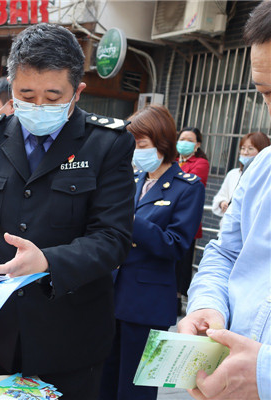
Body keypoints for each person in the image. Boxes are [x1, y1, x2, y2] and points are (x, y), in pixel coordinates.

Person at [0, 23, 136, 398]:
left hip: (71, 338)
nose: (39, 107)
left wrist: (47, 261)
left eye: (53, 96)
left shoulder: (106, 144)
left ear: (77, 92)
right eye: (26, 94)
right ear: (11, 85)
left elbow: (112, 239)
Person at [178, 3, 271, 400]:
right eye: (266, 92)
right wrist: (207, 304)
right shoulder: (264, 167)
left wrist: (265, 374)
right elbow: (227, 253)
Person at [99, 105, 205, 400]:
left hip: (146, 302)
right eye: (131, 144)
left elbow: (176, 244)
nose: (135, 151)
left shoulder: (186, 187)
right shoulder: (131, 181)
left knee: (135, 391)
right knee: (102, 382)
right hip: (111, 297)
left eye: (141, 145)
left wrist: (132, 222)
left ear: (163, 142)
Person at [175, 127, 210, 314]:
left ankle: (178, 300)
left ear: (197, 144)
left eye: (189, 140)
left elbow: (191, 184)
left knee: (183, 263)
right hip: (167, 220)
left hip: (188, 222)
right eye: (182, 139)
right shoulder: (173, 161)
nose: (184, 143)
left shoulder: (201, 163)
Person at [211, 131, 270, 220]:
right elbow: (220, 196)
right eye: (242, 148)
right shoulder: (233, 174)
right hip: (229, 225)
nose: (245, 152)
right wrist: (222, 203)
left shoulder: (266, 177)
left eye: (250, 149)